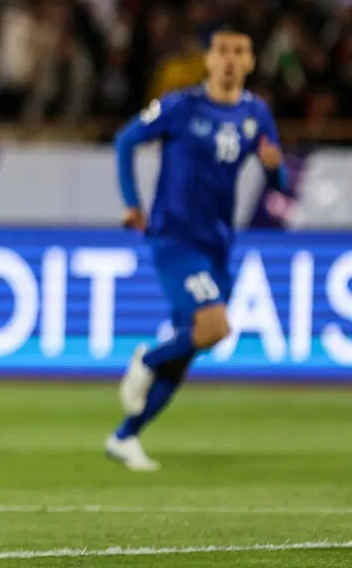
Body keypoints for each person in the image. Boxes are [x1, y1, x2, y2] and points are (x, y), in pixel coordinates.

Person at [107, 28, 287, 471]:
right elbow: (126, 140)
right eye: (222, 51)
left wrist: (275, 169)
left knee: (186, 352)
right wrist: (132, 204)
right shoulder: (180, 106)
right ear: (208, 60)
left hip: (219, 245)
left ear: (250, 62)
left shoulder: (257, 113)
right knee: (215, 326)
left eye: (239, 52)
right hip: (175, 239)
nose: (229, 59)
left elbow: (278, 181)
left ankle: (125, 436)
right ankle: (147, 359)